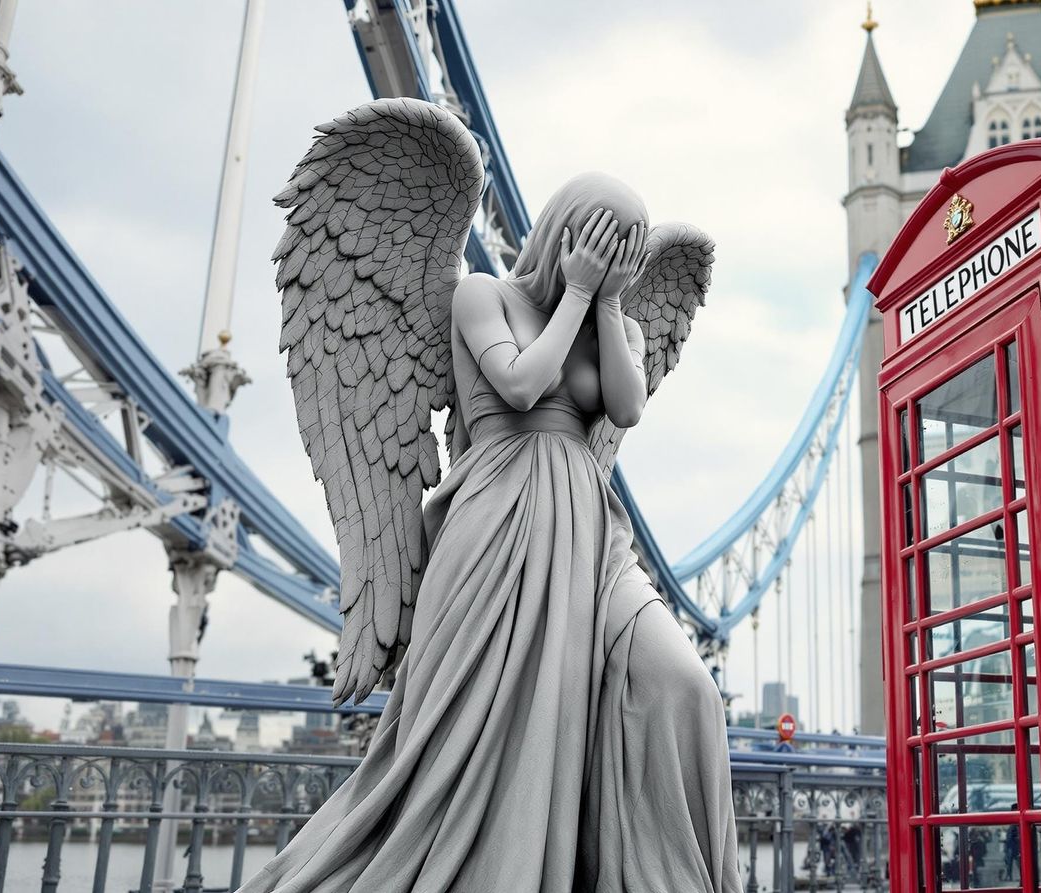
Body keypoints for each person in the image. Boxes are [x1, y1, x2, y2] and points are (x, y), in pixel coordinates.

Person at [238, 166, 741, 891]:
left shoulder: (618, 325)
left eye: (627, 247)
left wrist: (604, 303)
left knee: (683, 680)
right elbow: (519, 384)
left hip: (591, 531)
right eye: (602, 239)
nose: (613, 256)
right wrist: (573, 291)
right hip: (497, 519)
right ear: (564, 231)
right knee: (491, 728)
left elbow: (626, 410)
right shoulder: (482, 293)